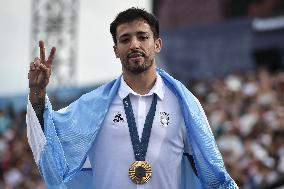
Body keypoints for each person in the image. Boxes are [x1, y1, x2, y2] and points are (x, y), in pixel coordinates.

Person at [27, 7, 238, 189]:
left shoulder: (185, 105)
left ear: (157, 44)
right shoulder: (91, 107)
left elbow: (212, 172)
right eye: (125, 39)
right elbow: (50, 142)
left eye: (142, 37)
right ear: (116, 50)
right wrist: (38, 93)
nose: (134, 44)